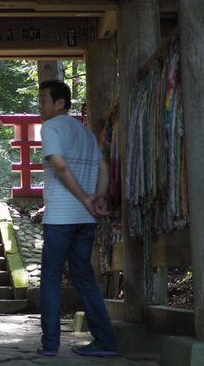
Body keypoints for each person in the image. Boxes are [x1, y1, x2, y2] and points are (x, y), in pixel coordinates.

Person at [36, 80, 117, 357]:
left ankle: (50, 345)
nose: (40, 105)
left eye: (44, 99)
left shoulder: (50, 127)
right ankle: (105, 341)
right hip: (85, 219)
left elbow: (58, 164)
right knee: (84, 278)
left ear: (60, 103)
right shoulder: (85, 132)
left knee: (50, 278)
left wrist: (85, 197)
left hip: (60, 217)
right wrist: (99, 198)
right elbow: (103, 166)